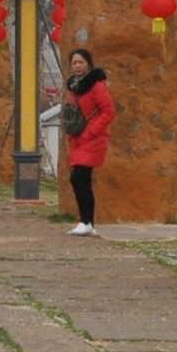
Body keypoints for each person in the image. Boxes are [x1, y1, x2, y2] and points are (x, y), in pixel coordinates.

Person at [60, 46, 116, 236]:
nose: (77, 66)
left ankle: (86, 221)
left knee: (79, 178)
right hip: (77, 138)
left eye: (80, 62)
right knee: (80, 180)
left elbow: (108, 111)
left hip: (92, 138)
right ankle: (87, 222)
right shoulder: (74, 85)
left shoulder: (96, 85)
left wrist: (91, 132)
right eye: (74, 62)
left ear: (88, 64)